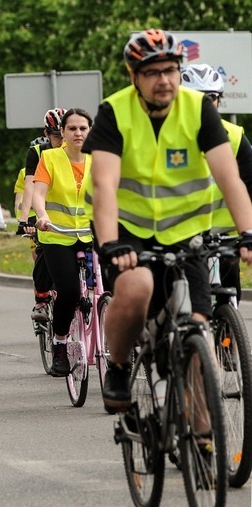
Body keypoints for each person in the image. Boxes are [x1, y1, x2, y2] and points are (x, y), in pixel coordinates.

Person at [85, 29, 252, 413]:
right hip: (127, 232)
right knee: (139, 285)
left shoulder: (198, 109)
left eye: (171, 70)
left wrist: (247, 233)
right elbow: (105, 184)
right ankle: (119, 366)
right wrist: (111, 244)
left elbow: (229, 177)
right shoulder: (115, 112)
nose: (164, 80)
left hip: (186, 233)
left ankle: (205, 443)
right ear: (134, 76)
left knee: (199, 333)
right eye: (153, 72)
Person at [181, 63, 252, 299]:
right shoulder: (166, 135)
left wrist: (248, 232)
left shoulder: (234, 136)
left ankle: (228, 331)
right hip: (180, 232)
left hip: (224, 234)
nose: (205, 103)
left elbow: (250, 183)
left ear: (218, 100)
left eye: (211, 97)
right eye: (196, 97)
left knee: (229, 296)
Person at [32, 108, 94, 376]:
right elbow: (38, 193)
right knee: (69, 292)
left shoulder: (100, 158)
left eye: (83, 128)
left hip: (92, 234)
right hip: (58, 234)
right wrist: (41, 215)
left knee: (117, 287)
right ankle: (60, 345)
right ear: (63, 133)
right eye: (72, 129)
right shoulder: (50, 157)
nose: (78, 133)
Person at [19, 109, 65, 322]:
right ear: (47, 134)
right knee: (44, 251)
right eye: (57, 136)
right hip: (44, 212)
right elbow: (30, 185)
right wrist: (26, 218)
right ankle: (42, 299)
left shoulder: (80, 151)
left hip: (74, 214)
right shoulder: (38, 152)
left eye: (64, 134)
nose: (62, 140)